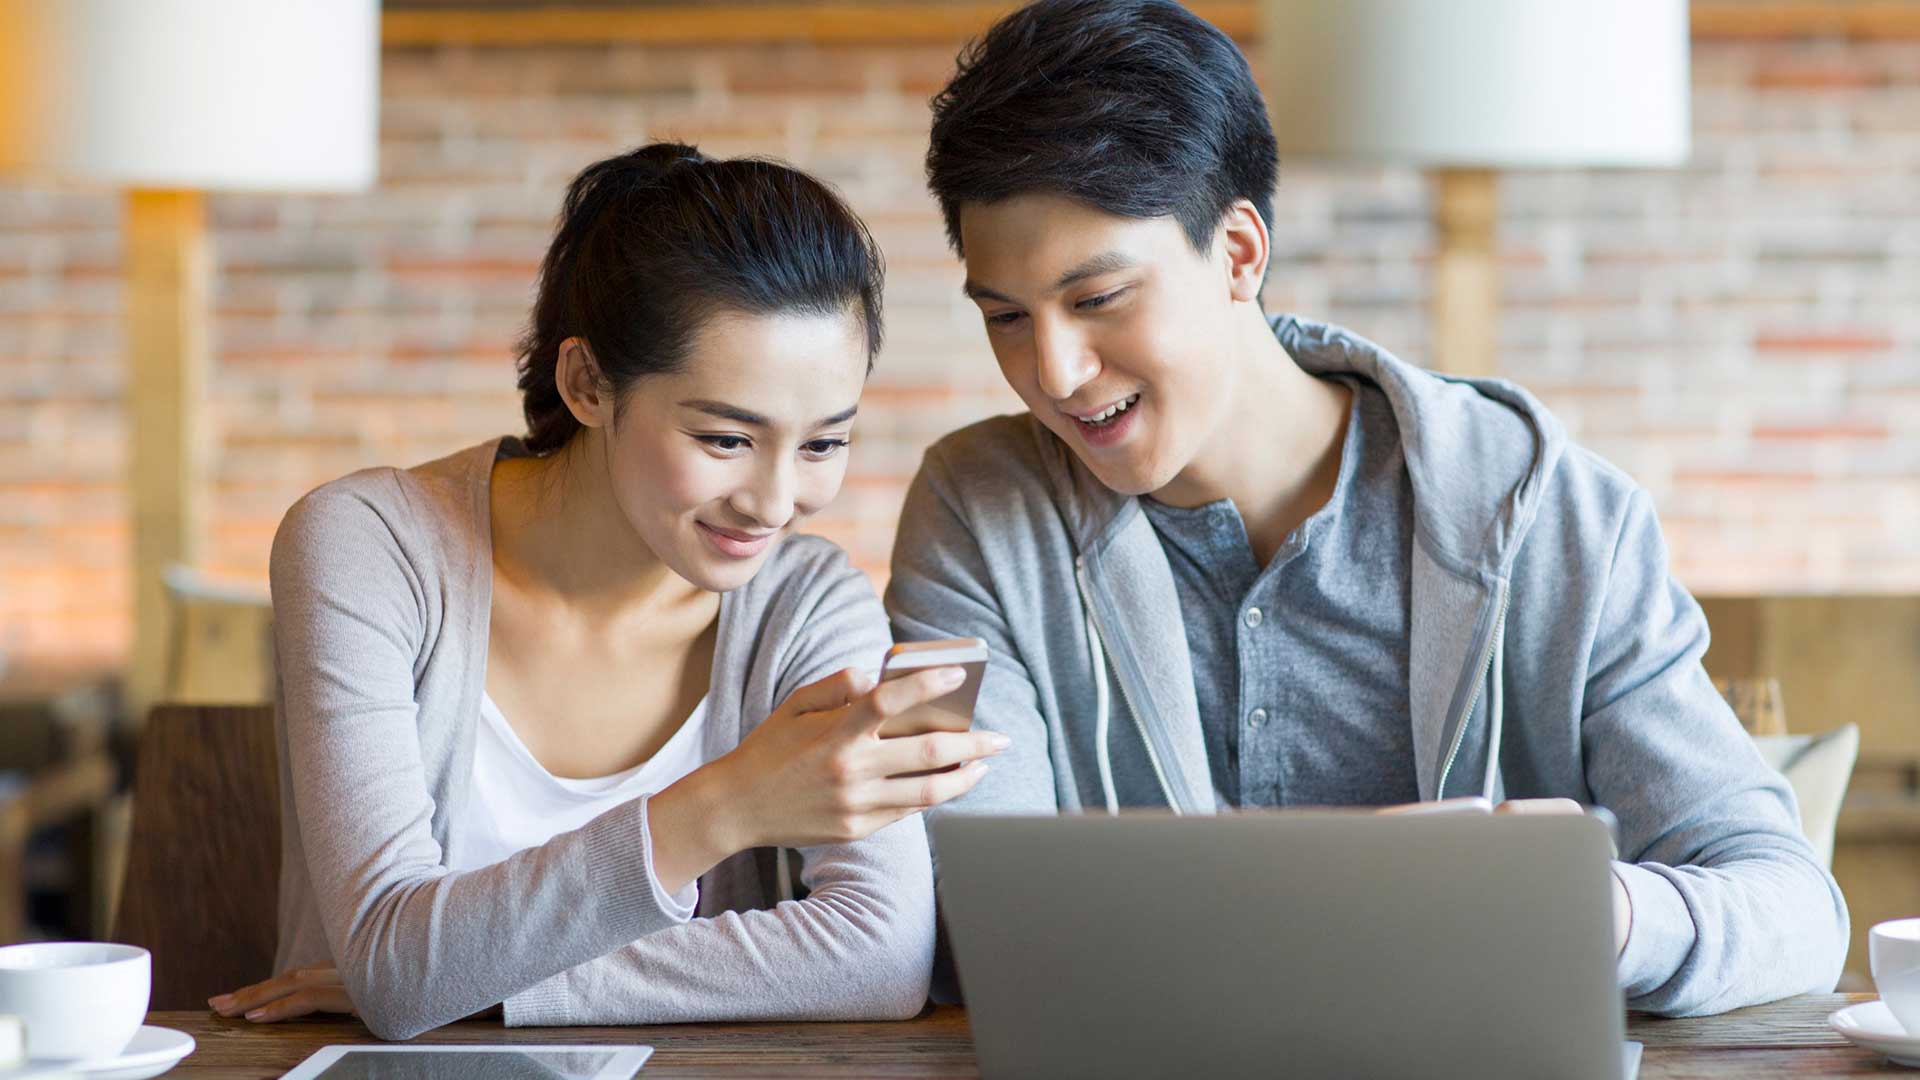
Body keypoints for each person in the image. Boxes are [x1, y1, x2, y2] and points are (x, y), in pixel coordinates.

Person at [888, 0, 1848, 1016]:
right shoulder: (981, 511)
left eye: (1097, 300)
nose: (1055, 372)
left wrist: (1583, 910)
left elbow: (1791, 908)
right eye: (1005, 316)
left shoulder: (1552, 516)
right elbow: (982, 920)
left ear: (1240, 254)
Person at [210, 143, 1006, 1039]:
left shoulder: (807, 602)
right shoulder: (370, 547)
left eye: (823, 444)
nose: (778, 501)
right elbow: (393, 968)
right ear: (588, 383)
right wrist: (731, 801)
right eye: (725, 439)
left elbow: (881, 956)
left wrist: (471, 978)